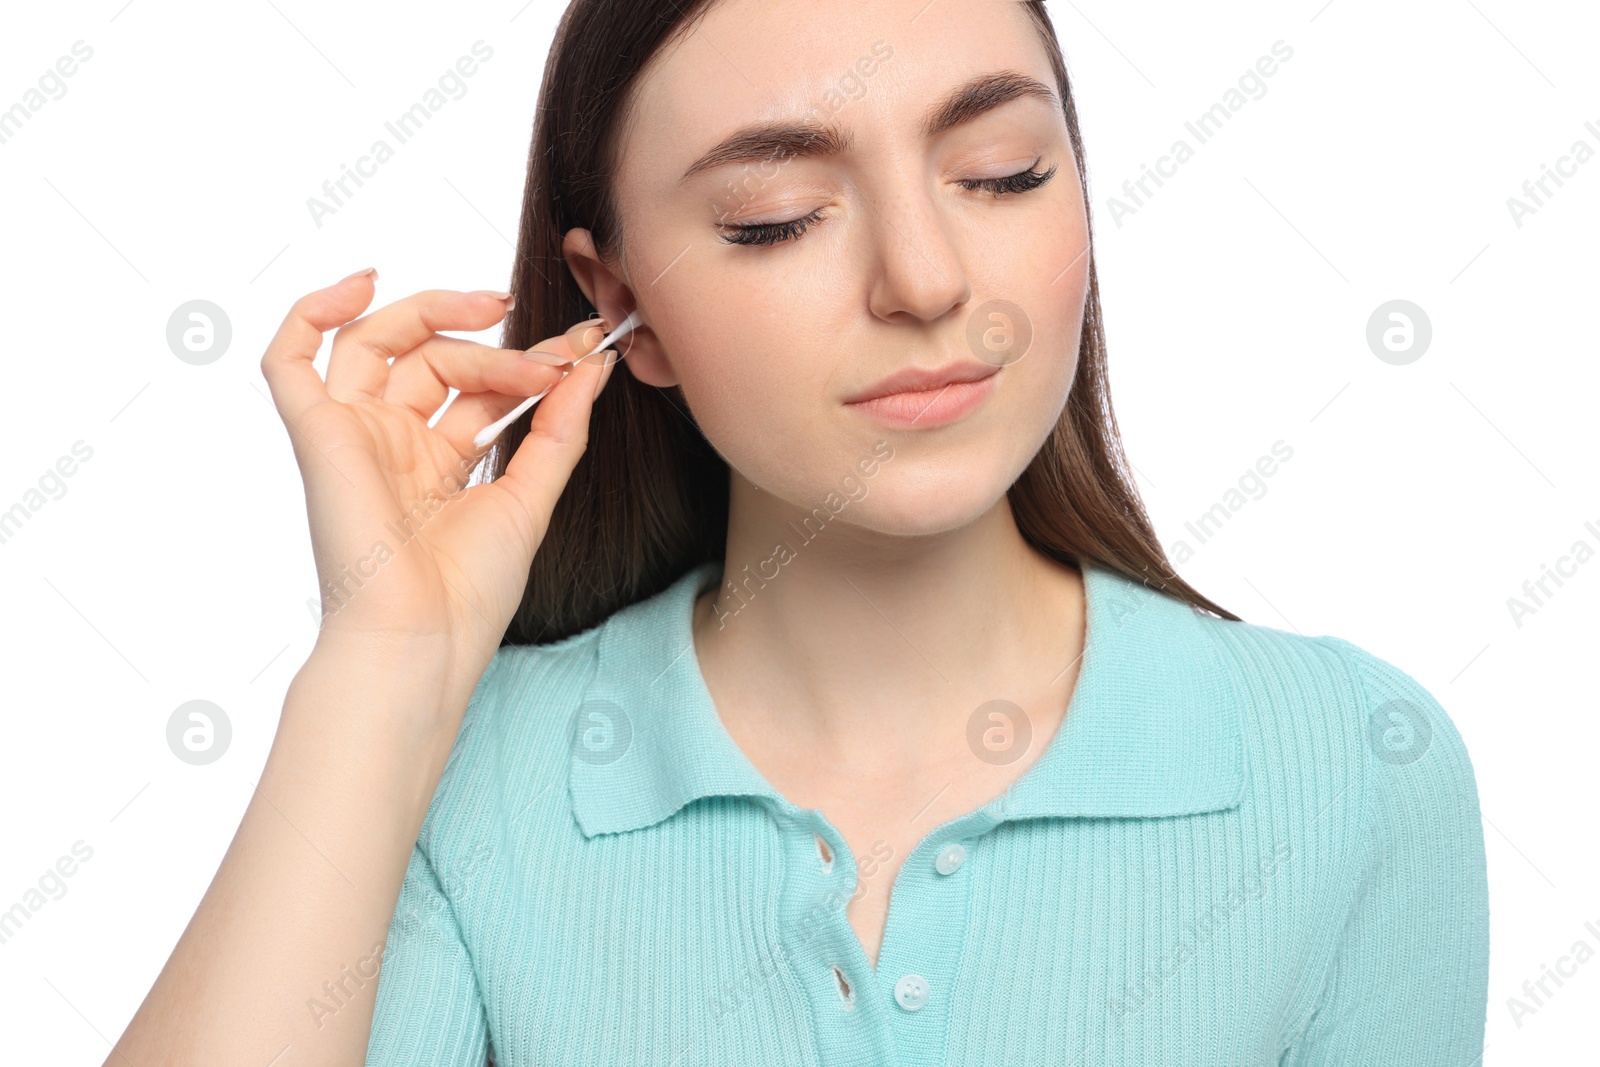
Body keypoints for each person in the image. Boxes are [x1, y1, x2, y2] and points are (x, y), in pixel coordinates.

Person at [107, 1, 1489, 1064]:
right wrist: (381, 672)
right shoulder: (462, 782)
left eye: (1002, 172)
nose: (926, 278)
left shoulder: (1357, 767)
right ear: (616, 299)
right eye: (775, 219)